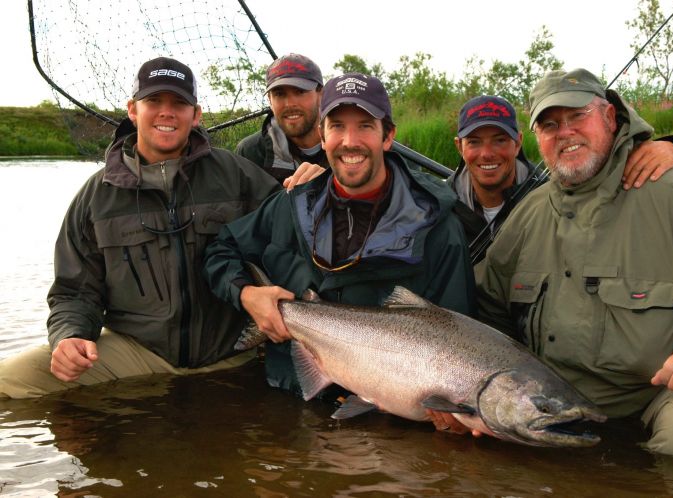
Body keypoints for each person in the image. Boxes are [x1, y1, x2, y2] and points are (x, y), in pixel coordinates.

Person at [474, 68, 673, 460]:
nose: (564, 132)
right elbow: (486, 308)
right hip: (551, 402)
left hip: (669, 397)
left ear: (610, 118)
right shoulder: (529, 212)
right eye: (549, 124)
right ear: (535, 140)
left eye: (577, 116)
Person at [0, 57, 280, 398]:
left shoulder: (239, 175)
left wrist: (310, 183)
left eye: (179, 103)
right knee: (10, 383)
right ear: (133, 110)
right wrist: (70, 336)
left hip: (233, 352)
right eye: (154, 102)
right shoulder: (95, 197)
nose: (167, 113)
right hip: (137, 353)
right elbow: (74, 293)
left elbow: (293, 239)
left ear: (197, 115)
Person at [203, 72, 474, 401]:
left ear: (387, 136)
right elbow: (220, 250)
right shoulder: (290, 205)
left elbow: (460, 347)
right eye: (337, 126)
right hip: (292, 401)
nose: (350, 141)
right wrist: (247, 294)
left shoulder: (439, 228)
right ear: (322, 134)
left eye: (364, 125)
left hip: (390, 418)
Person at [448, 95, 673, 256]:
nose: (487, 154)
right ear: (460, 147)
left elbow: (614, 185)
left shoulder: (558, 193)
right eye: (474, 142)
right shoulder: (435, 205)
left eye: (500, 140)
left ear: (518, 143)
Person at [235, 53, 329, 188]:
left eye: (300, 92)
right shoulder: (251, 152)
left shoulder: (346, 144)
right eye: (279, 94)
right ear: (270, 100)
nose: (290, 104)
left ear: (321, 94)